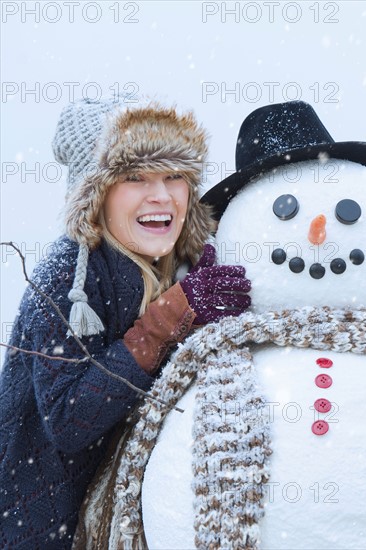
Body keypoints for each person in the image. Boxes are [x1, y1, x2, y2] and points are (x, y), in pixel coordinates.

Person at [0, 95, 251, 549]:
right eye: (135, 177)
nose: (161, 195)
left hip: (131, 523)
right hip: (46, 530)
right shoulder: (69, 277)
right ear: (97, 194)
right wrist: (167, 319)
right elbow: (69, 420)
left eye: (174, 175)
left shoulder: (179, 268)